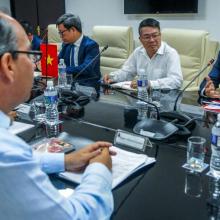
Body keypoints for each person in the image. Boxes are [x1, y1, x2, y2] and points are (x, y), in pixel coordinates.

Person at [0, 12, 114, 220]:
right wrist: (100, 169)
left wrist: (64, 160)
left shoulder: (8, 149)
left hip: (88, 91)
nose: (35, 62)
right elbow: (78, 217)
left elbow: (20, 160)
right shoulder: (6, 151)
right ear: (8, 65)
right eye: (30, 54)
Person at [103, 18, 183, 90]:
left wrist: (150, 84)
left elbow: (176, 80)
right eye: (147, 37)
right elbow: (127, 72)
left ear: (160, 35)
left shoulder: (170, 53)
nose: (152, 40)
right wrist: (112, 77)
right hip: (142, 96)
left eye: (155, 36)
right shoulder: (138, 52)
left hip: (163, 99)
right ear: (140, 39)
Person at [57, 13, 101, 89]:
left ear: (73, 30)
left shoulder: (91, 46)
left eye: (62, 32)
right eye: (59, 33)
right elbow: (59, 61)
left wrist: (63, 70)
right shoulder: (66, 44)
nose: (60, 36)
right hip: (68, 85)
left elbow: (86, 68)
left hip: (88, 86)